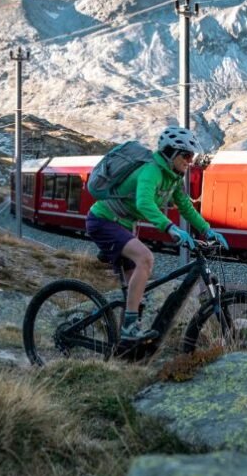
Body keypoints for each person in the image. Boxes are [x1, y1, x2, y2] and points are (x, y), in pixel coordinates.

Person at [85, 126, 228, 341]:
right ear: (171, 152)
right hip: (103, 221)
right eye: (186, 155)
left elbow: (186, 208)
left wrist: (207, 229)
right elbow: (144, 203)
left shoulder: (174, 177)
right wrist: (170, 228)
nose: (190, 161)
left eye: (192, 156)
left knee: (135, 294)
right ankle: (129, 328)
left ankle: (124, 347)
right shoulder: (151, 171)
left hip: (122, 225)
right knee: (146, 259)